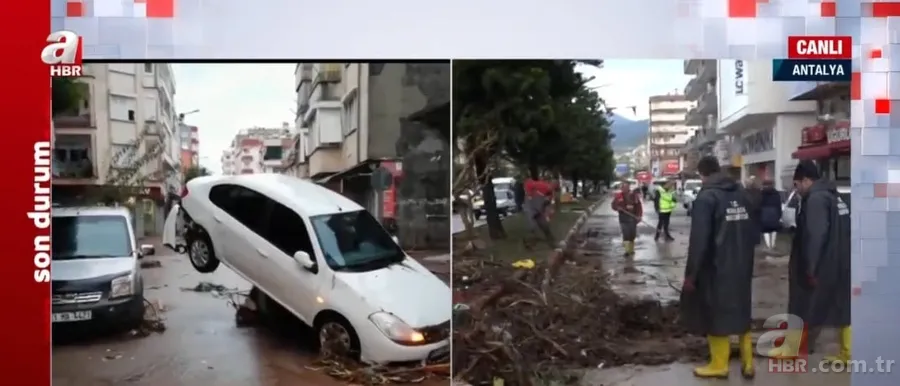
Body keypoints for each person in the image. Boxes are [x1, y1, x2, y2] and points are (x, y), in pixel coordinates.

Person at [680, 156, 756, 379]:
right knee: (741, 311)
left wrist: (692, 274)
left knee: (715, 315)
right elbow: (753, 228)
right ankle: (748, 363)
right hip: (742, 263)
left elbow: (700, 240)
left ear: (702, 174)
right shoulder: (742, 193)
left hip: (716, 267)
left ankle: (719, 365)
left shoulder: (707, 197)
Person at [769, 161, 851, 364]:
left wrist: (810, 268)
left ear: (806, 180)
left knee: (802, 304)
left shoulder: (815, 199)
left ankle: (794, 348)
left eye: (797, 185)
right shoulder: (835, 196)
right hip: (840, 259)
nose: (796, 190)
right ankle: (848, 352)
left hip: (819, 263)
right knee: (842, 307)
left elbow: (816, 235)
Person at [522, 177, 557, 250]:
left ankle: (552, 244)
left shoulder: (551, 193)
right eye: (553, 185)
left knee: (545, 226)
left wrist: (547, 215)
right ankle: (529, 244)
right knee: (532, 227)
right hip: (531, 207)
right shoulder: (541, 185)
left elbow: (548, 205)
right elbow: (528, 182)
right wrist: (529, 194)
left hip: (539, 210)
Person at [611, 181, 643, 256]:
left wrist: (639, 216)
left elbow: (639, 206)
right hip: (623, 219)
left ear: (629, 187)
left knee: (632, 235)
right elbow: (613, 205)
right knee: (626, 235)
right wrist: (617, 208)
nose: (624, 188)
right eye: (623, 187)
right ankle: (627, 251)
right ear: (621, 188)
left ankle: (631, 249)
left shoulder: (634, 195)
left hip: (633, 218)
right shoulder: (618, 196)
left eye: (626, 187)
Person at [759, 180, 783, 250]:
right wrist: (779, 214)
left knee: (765, 230)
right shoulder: (776, 193)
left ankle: (768, 245)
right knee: (774, 229)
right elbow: (779, 204)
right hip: (774, 212)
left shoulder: (761, 193)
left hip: (764, 212)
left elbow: (759, 203)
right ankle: (773, 244)